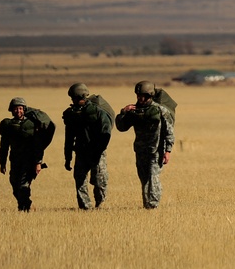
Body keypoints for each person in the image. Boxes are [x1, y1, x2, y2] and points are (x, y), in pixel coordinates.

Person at [115, 81, 174, 209]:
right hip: (140, 150)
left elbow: (169, 131)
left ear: (150, 95)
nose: (140, 98)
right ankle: (147, 205)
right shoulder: (134, 111)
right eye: (138, 95)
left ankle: (153, 205)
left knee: (154, 177)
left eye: (143, 96)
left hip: (156, 149)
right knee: (144, 178)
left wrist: (168, 151)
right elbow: (121, 127)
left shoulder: (160, 110)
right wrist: (123, 112)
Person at [0, 97, 55, 212]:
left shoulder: (31, 125)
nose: (18, 111)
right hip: (15, 161)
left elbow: (38, 146)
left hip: (29, 161)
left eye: (20, 108)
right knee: (14, 185)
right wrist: (2, 162)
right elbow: (4, 146)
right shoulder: (8, 125)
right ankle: (24, 204)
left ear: (24, 110)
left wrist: (38, 163)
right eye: (15, 109)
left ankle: (24, 208)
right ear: (11, 110)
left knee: (23, 186)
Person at [62, 83, 113, 210]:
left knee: (100, 180)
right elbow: (69, 138)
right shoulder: (72, 115)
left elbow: (106, 133)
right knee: (80, 181)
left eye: (74, 98)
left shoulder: (98, 112)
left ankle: (100, 204)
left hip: (96, 152)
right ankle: (85, 207)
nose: (73, 101)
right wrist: (67, 158)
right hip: (81, 152)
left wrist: (99, 150)